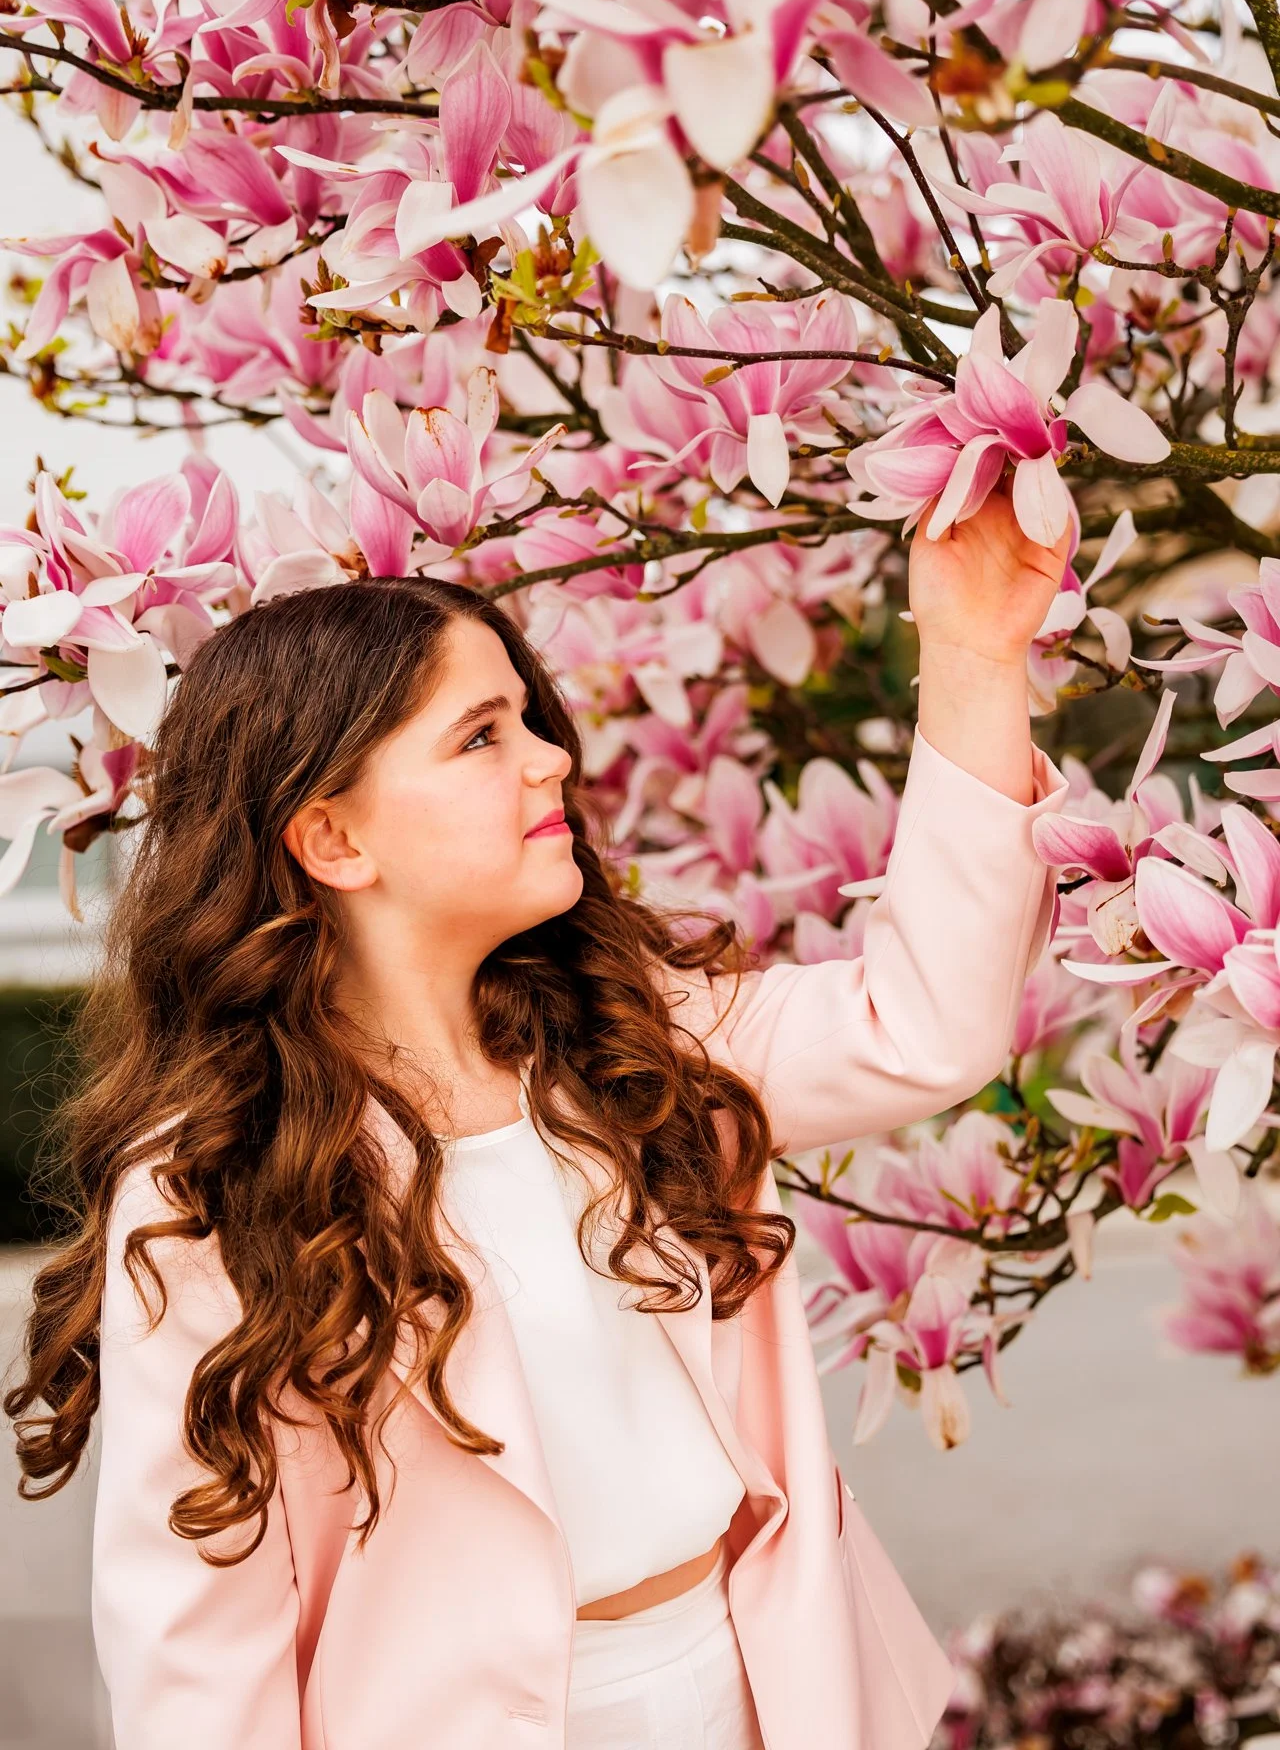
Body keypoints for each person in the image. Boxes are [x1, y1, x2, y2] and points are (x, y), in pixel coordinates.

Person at [6, 490, 1072, 1750]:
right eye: (479, 736)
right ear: (333, 837)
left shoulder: (643, 1049)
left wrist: (970, 651)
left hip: (766, 1689)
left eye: (527, 718)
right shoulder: (213, 1191)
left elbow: (927, 1023)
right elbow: (195, 1642)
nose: (551, 758)